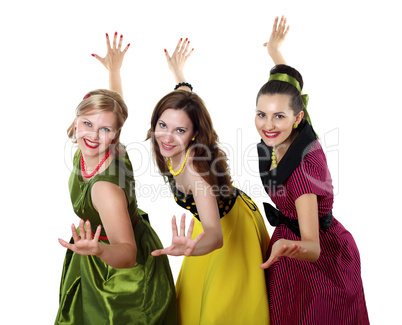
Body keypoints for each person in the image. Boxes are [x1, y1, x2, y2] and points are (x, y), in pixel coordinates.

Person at [98, 34, 271, 324]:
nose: (166, 136)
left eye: (180, 131)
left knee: (222, 309)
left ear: (194, 134)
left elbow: (214, 236)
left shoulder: (196, 172)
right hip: (205, 224)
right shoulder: (170, 132)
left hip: (229, 229)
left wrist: (191, 248)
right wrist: (176, 75)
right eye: (162, 125)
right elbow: (122, 118)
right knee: (191, 307)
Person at [55, 37, 177, 324]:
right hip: (101, 253)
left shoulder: (105, 190)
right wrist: (115, 69)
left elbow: (127, 254)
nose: (94, 136)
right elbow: (113, 106)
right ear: (76, 121)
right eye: (87, 124)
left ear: (116, 133)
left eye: (105, 129)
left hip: (119, 274)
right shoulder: (104, 146)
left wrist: (98, 250)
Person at [256, 16, 369, 324]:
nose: (268, 124)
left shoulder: (302, 169)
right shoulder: (299, 132)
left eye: (278, 116)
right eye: (261, 114)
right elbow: (289, 89)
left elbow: (312, 248)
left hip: (316, 259)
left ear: (297, 117)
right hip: (291, 242)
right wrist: (276, 54)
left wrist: (280, 244)